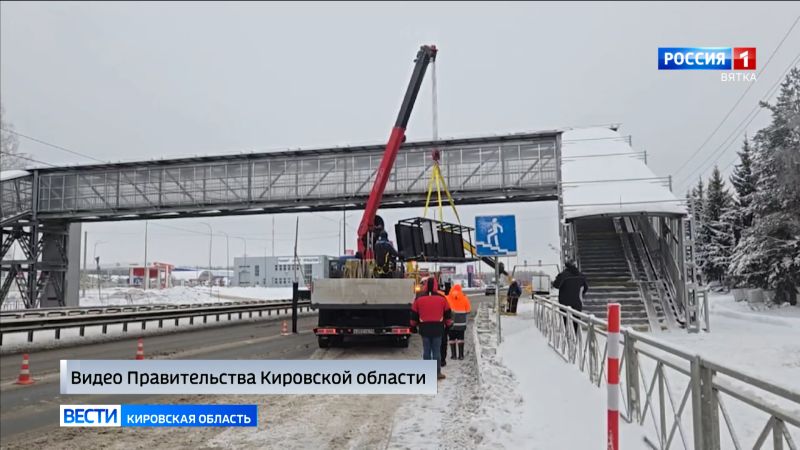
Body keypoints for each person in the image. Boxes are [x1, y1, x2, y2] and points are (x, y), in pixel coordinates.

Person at [411, 277, 452, 380]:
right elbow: (448, 314)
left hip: (424, 328)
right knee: (436, 351)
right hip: (438, 328)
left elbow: (414, 315)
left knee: (426, 351)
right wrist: (448, 325)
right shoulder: (442, 298)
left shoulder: (419, 299)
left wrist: (413, 326)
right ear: (436, 285)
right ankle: (437, 372)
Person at [552, 259, 588, 333]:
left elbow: (556, 285)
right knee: (576, 323)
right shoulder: (581, 275)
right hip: (577, 303)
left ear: (566, 266)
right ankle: (575, 340)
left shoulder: (563, 275)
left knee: (566, 323)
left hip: (564, 303)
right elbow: (586, 288)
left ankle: (568, 340)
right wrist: (580, 294)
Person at [446, 283, 472, 360]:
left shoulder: (448, 298)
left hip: (451, 323)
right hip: (461, 323)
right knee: (461, 338)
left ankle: (453, 355)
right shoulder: (464, 298)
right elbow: (468, 310)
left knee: (451, 339)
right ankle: (461, 355)